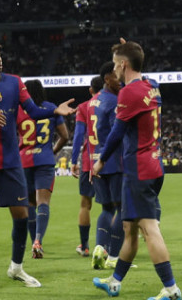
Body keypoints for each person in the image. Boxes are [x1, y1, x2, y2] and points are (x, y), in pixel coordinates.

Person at [0, 39, 76, 296]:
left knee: (22, 216)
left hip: (12, 162)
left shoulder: (14, 82)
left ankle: (16, 268)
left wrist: (55, 113)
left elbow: (31, 111)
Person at [91, 40, 182, 300]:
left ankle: (171, 289)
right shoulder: (153, 86)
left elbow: (117, 133)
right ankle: (115, 282)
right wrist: (130, 47)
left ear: (124, 64)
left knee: (149, 228)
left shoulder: (127, 94)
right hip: (153, 164)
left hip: (138, 169)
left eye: (117, 64)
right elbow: (139, 68)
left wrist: (100, 161)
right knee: (129, 228)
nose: (114, 70)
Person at [16, 79, 71, 258]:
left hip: (24, 160)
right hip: (45, 160)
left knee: (30, 203)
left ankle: (34, 243)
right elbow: (64, 135)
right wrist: (52, 150)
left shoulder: (20, 109)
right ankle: (38, 241)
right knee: (43, 203)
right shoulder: (51, 108)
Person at [90, 60, 125, 271]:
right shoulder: (114, 101)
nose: (119, 79)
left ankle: (98, 248)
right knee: (121, 208)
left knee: (105, 208)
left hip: (96, 161)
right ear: (106, 79)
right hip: (113, 161)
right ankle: (113, 256)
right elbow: (116, 132)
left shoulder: (93, 101)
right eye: (115, 75)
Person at [71, 76, 102, 257]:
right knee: (113, 206)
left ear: (91, 90)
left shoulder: (83, 107)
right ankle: (109, 246)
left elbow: (78, 136)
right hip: (109, 162)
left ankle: (84, 246)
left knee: (85, 205)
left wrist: (74, 160)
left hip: (89, 162)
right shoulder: (113, 102)